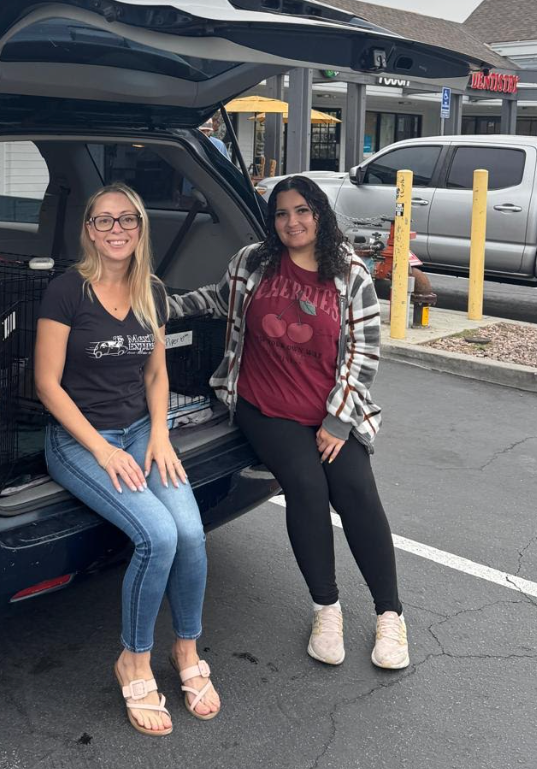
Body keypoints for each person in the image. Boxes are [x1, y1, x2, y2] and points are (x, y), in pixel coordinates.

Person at [170, 175, 409, 671]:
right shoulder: (252, 262)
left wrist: (338, 422)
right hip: (265, 406)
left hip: (330, 410)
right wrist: (154, 306)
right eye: (281, 213)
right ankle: (327, 609)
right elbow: (214, 299)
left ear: (320, 215)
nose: (292, 222)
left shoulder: (350, 273)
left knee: (357, 490)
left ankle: (390, 614)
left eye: (302, 211)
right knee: (306, 485)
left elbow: (364, 353)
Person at [35, 182, 220, 736]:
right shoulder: (67, 291)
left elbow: (156, 373)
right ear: (89, 231)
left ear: (141, 228)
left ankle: (186, 651)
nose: (116, 230)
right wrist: (103, 449)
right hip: (80, 440)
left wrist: (159, 434)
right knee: (157, 536)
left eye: (128, 220)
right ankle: (133, 661)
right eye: (104, 220)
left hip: (141, 429)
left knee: (190, 533)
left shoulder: (151, 291)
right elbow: (46, 384)